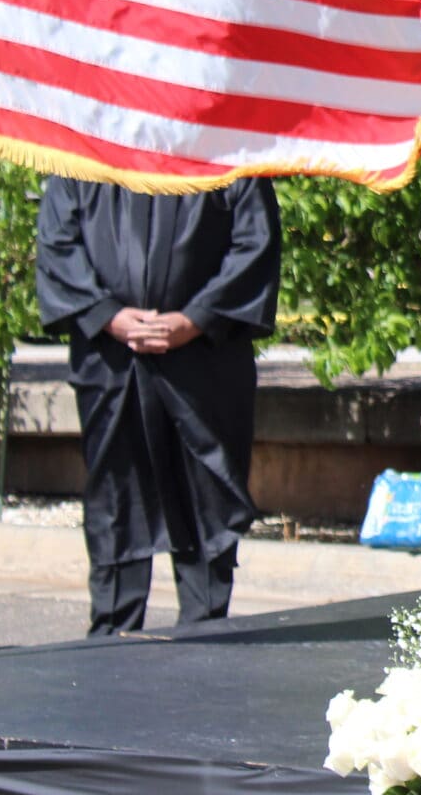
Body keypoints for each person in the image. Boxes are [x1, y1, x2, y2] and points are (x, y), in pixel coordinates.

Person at [35, 177, 282, 635]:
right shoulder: (84, 157)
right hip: (112, 361)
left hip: (205, 361)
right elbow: (58, 244)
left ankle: (205, 629)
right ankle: (112, 633)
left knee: (206, 493)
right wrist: (107, 315)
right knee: (117, 496)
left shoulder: (226, 157)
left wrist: (197, 318)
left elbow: (255, 241)